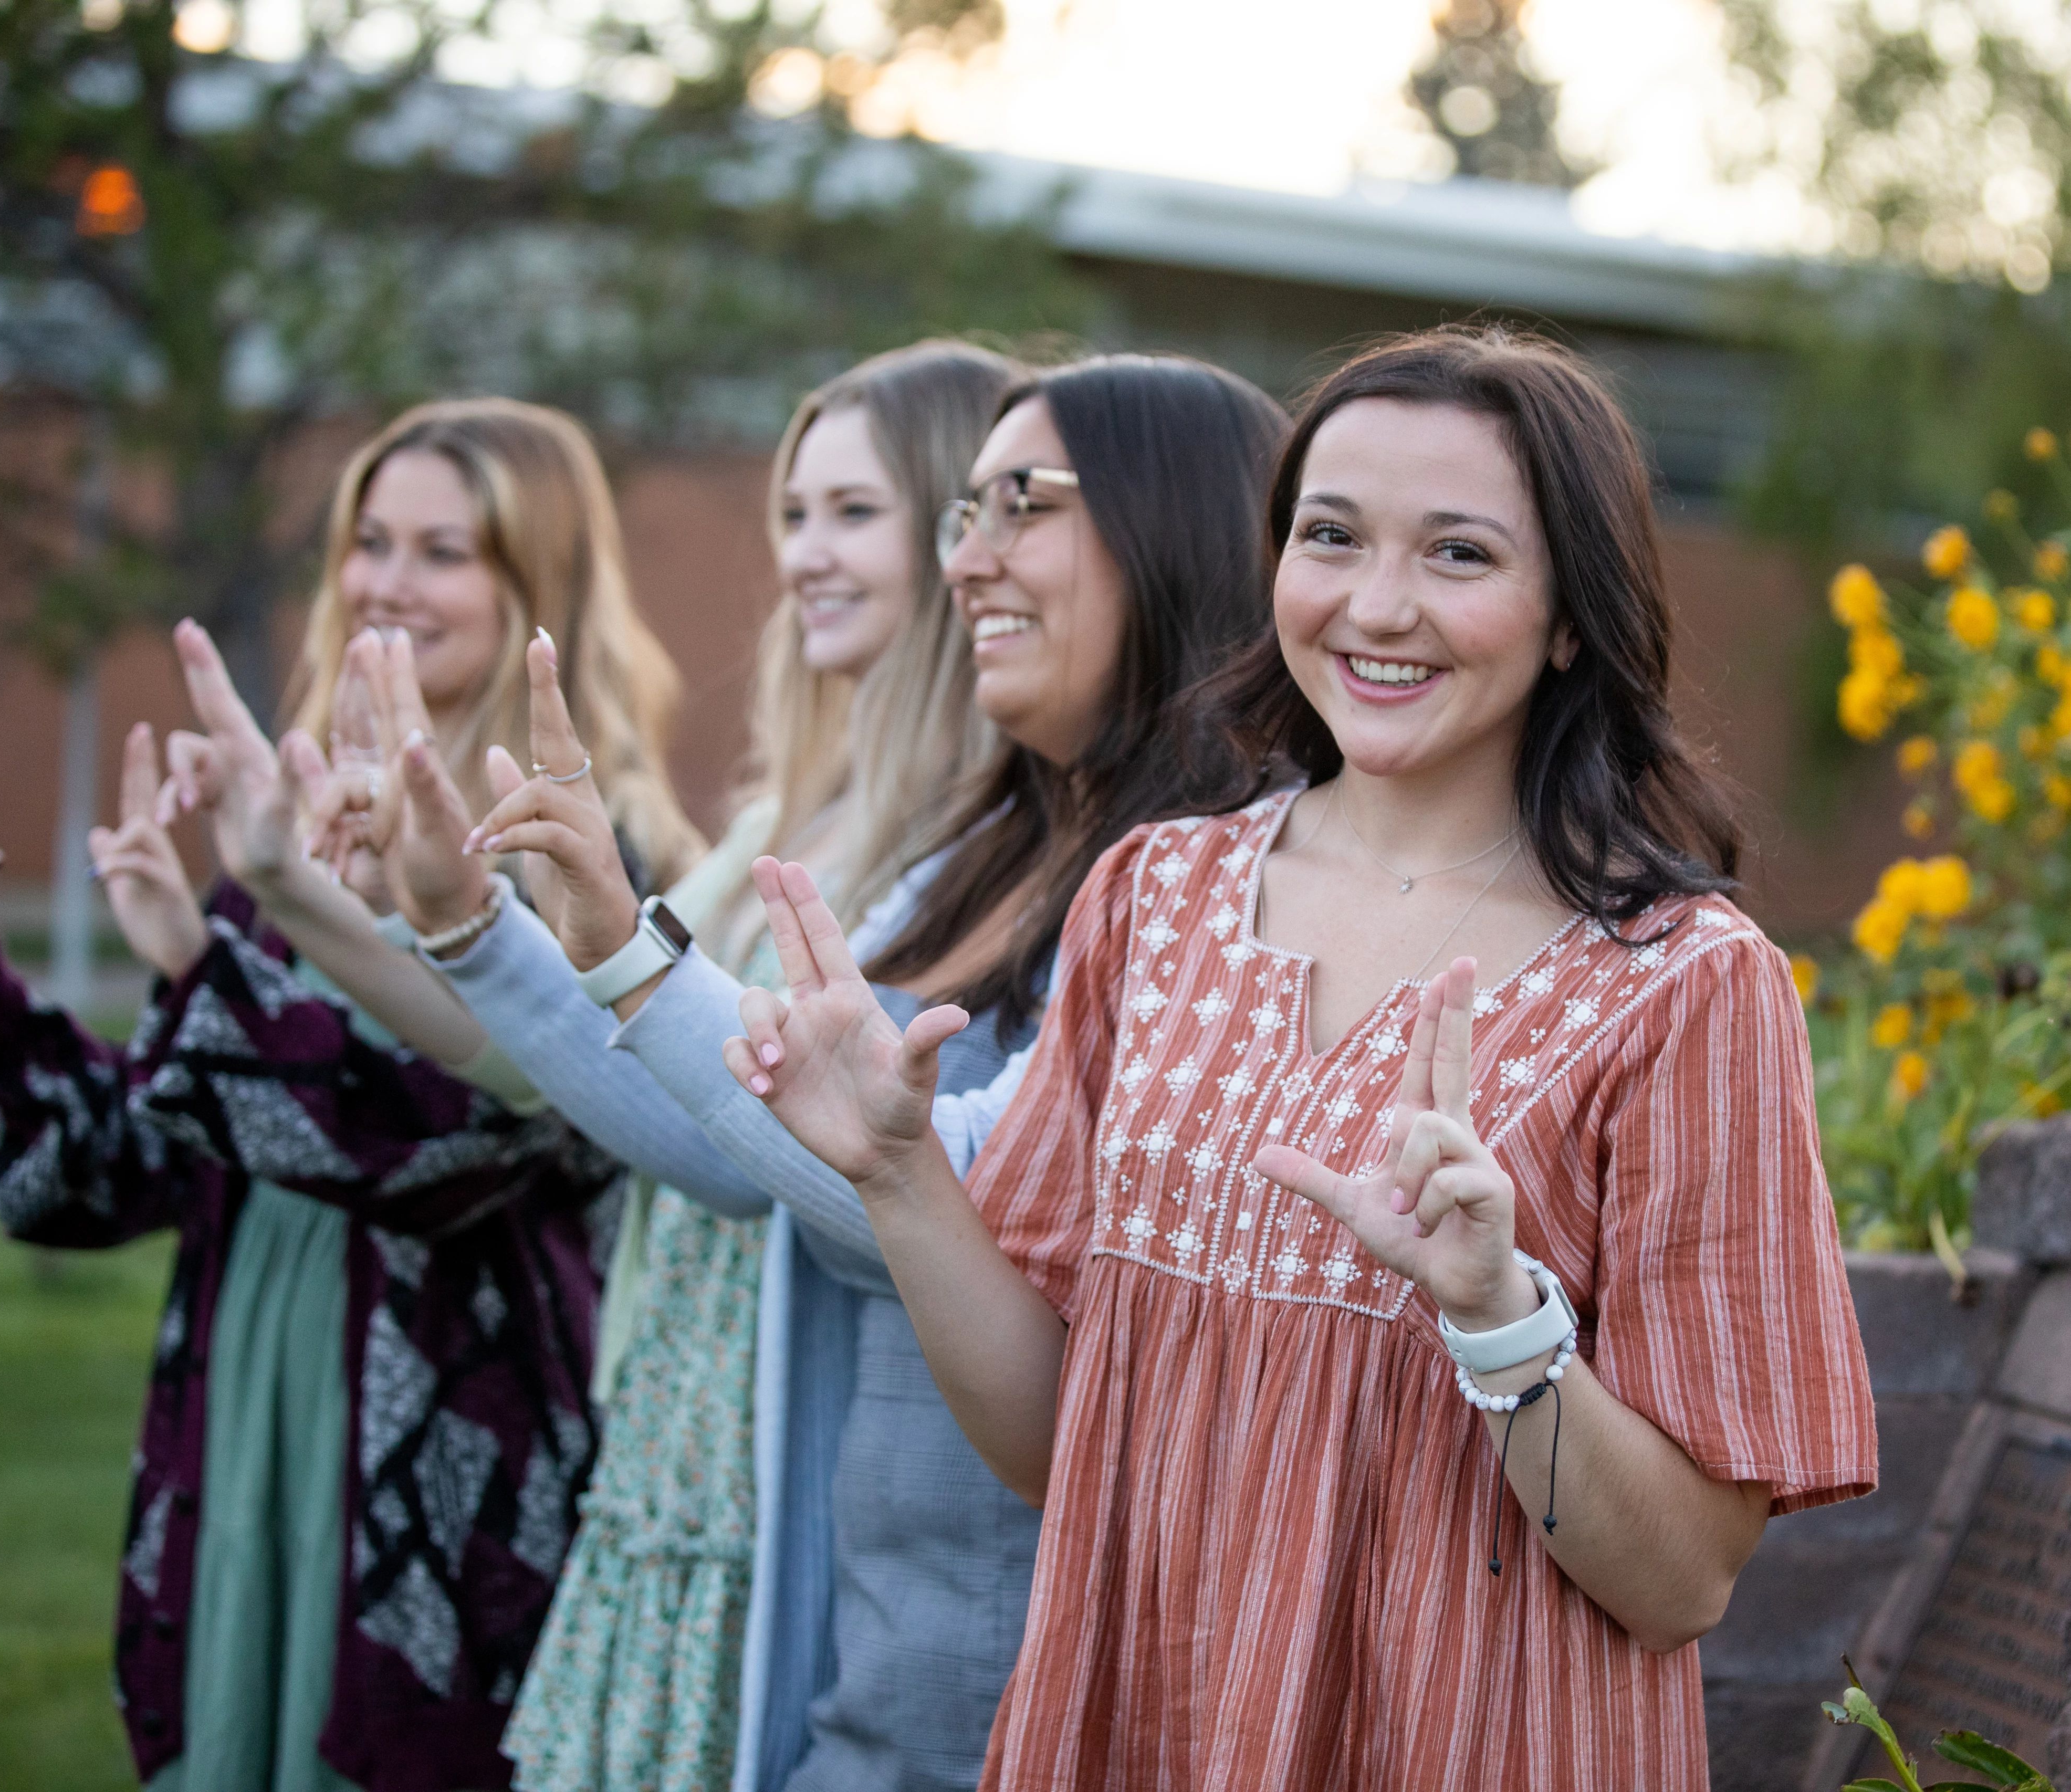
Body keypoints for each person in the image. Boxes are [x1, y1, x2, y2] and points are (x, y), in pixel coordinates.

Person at [729, 327, 1879, 1790]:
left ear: (1571, 614)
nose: (1377, 606)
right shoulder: (1153, 896)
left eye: (1459, 555)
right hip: (1141, 1736)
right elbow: (1054, 1448)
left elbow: (1686, 1583)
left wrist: (1494, 1315)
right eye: (1330, 538)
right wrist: (899, 1173)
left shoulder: (1685, 988)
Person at [386, 353, 1292, 1790]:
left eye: (1018, 506)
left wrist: (626, 955)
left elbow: (962, 1181)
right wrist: (497, 933)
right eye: (960, 514)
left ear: (1169, 525)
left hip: (1014, 1667)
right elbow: (758, 1137)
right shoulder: (989, 859)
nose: (967, 559)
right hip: (886, 1647)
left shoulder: (1231, 882)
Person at [0, 395, 699, 1792]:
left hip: (436, 1466)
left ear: (535, 586)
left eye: (446, 550)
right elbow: (126, 1167)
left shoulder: (598, 857)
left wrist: (263, 935)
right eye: (371, 541)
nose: (388, 582)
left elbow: (454, 1145)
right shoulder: (291, 822)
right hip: (245, 1415)